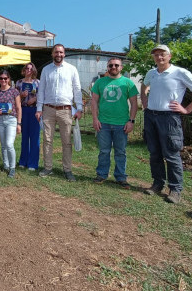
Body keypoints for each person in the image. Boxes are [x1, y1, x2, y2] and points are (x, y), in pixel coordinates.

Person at [141, 44, 192, 204]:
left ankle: (175, 190)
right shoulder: (151, 73)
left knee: (171, 154)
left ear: (169, 56)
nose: (159, 57)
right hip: (151, 116)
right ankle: (157, 184)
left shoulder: (180, 72)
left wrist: (186, 109)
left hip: (169, 118)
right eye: (156, 55)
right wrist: (145, 101)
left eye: (162, 54)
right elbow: (144, 85)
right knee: (154, 153)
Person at [36, 44, 83, 181]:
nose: (59, 54)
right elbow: (42, 90)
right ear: (52, 54)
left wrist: (79, 108)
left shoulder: (71, 69)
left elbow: (77, 89)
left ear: (64, 54)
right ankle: (48, 167)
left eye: (61, 52)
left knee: (66, 141)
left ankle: (67, 170)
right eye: (56, 52)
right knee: (47, 140)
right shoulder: (46, 70)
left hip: (66, 110)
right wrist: (39, 109)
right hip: (48, 109)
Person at [91, 58, 138, 189]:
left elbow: (134, 103)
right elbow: (94, 101)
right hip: (103, 123)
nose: (113, 67)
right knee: (104, 151)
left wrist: (131, 121)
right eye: (110, 65)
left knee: (120, 152)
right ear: (107, 67)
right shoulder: (100, 82)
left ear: (121, 67)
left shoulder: (128, 83)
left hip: (121, 124)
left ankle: (121, 177)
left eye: (116, 65)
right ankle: (101, 175)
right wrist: (95, 119)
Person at [0, 70, 22, 178]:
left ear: (9, 79)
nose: (3, 80)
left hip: (11, 120)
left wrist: (19, 123)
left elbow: (19, 108)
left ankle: (12, 167)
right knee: (3, 145)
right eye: (1, 78)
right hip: (0, 119)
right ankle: (5, 165)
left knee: (9, 144)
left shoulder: (14, 91)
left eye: (5, 78)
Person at [16, 62, 40, 171]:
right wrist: (21, 95)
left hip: (35, 111)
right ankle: (23, 161)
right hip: (23, 110)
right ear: (24, 70)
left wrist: (35, 99)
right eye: (27, 69)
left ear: (33, 70)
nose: (28, 71)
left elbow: (43, 96)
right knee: (24, 137)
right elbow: (15, 99)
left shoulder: (38, 82)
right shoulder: (19, 83)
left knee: (34, 138)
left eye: (31, 69)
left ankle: (33, 163)